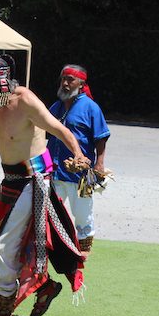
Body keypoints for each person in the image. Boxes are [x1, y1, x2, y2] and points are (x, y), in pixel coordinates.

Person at [0, 55, 88, 316]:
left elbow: (58, 129)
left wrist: (78, 154)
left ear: (2, 79)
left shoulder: (25, 100)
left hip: (33, 180)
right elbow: (1, 139)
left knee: (6, 244)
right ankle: (43, 287)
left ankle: (3, 310)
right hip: (11, 180)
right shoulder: (0, 102)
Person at [46, 64, 111, 255]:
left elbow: (101, 137)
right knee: (50, 211)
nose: (65, 83)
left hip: (81, 175)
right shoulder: (56, 106)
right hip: (54, 170)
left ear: (81, 84)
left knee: (83, 214)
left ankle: (83, 252)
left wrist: (100, 163)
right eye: (63, 79)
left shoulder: (90, 107)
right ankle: (55, 248)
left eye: (70, 79)